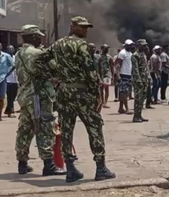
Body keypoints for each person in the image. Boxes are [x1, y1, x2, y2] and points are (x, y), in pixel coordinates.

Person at [39, 16, 115, 183]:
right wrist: (97, 94)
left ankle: (70, 169)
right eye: (82, 27)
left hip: (64, 92)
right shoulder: (82, 46)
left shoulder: (57, 44)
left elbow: (41, 60)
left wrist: (54, 76)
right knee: (94, 127)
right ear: (73, 27)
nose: (85, 30)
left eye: (87, 27)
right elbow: (91, 71)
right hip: (82, 93)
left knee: (66, 130)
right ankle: (101, 168)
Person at [14, 25, 65, 177]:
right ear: (34, 37)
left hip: (24, 96)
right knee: (45, 128)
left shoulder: (19, 54)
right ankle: (48, 165)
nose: (40, 39)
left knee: (25, 128)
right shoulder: (38, 53)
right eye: (38, 37)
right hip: (38, 97)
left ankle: (22, 163)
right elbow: (55, 69)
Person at [132, 39, 151, 123]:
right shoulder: (135, 55)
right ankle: (136, 116)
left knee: (143, 97)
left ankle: (139, 115)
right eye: (143, 45)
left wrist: (149, 76)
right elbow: (135, 69)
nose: (145, 47)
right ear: (139, 45)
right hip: (138, 80)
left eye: (145, 45)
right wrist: (138, 80)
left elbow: (146, 67)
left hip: (145, 79)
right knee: (138, 98)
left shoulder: (143, 54)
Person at [114, 40, 134, 114]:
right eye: (129, 45)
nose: (131, 46)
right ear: (125, 45)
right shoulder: (122, 53)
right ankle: (127, 108)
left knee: (124, 92)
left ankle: (121, 108)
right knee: (123, 92)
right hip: (123, 74)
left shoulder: (130, 53)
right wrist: (118, 75)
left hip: (128, 74)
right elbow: (118, 65)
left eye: (131, 45)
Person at [5, 45, 19, 117]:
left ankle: (9, 108)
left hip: (15, 79)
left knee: (14, 95)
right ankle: (10, 110)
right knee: (9, 96)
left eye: (12, 49)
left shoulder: (15, 58)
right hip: (7, 80)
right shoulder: (4, 58)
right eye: (9, 49)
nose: (10, 50)